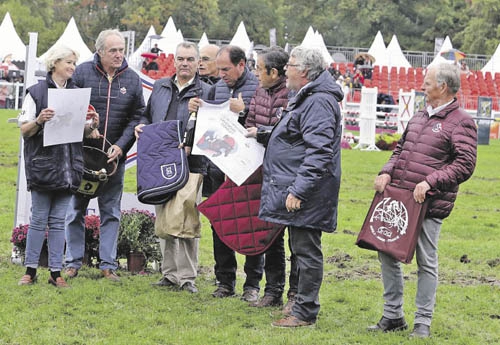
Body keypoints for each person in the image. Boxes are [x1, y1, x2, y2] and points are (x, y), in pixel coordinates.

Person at [368, 63, 477, 338]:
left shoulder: (462, 121)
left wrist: (431, 182)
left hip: (430, 202)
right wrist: (386, 172)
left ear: (443, 87)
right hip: (400, 198)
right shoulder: (418, 115)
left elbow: (465, 164)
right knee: (386, 251)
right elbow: (401, 149)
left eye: (427, 83)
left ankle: (422, 322)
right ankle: (393, 316)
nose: (422, 86)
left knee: (426, 260)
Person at [257, 46, 343, 327]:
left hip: (308, 192)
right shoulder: (308, 97)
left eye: (290, 65)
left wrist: (299, 190)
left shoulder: (318, 101)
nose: (285, 69)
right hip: (302, 187)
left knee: (306, 251)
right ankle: (299, 307)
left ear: (304, 71)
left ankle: (304, 312)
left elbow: (319, 151)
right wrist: (263, 133)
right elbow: (297, 136)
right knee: (300, 248)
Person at [64, 29, 145, 282]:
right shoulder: (82, 73)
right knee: (75, 209)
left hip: (113, 159)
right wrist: (85, 131)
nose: (119, 54)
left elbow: (138, 115)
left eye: (121, 49)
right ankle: (72, 262)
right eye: (113, 50)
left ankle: (108, 265)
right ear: (99, 51)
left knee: (110, 211)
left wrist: (121, 146)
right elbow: (69, 107)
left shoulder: (132, 79)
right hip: (82, 156)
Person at [17, 45, 99, 288]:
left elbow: (80, 131)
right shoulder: (36, 92)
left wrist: (90, 126)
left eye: (74, 63)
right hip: (43, 166)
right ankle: (30, 270)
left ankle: (55, 271)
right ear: (55, 64)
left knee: (59, 221)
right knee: (39, 220)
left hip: (69, 167)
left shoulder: (77, 94)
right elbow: (24, 130)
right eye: (69, 63)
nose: (73, 67)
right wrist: (39, 120)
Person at [135, 41, 210, 293]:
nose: (185, 63)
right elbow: (148, 115)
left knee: (187, 216)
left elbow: (210, 129)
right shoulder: (160, 86)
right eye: (181, 59)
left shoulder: (205, 92)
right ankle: (169, 274)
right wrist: (141, 127)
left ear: (198, 62)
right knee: (164, 216)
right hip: (159, 162)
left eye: (190, 59)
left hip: (191, 163)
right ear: (174, 61)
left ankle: (187, 276)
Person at [189, 45, 260, 301]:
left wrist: (245, 111)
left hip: (247, 170)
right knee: (221, 222)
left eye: (226, 69)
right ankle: (224, 280)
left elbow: (263, 125)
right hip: (220, 168)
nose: (221, 74)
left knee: (251, 225)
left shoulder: (258, 88)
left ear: (242, 64)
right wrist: (197, 109)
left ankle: (252, 284)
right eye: (218, 69)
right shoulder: (217, 87)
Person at [245, 46, 297, 309]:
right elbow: (251, 121)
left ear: (274, 72)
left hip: (289, 172)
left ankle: (295, 296)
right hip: (263, 170)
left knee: (295, 239)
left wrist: (260, 132)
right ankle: (273, 290)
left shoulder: (293, 95)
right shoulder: (259, 91)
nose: (255, 73)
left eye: (258, 68)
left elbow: (288, 132)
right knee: (270, 234)